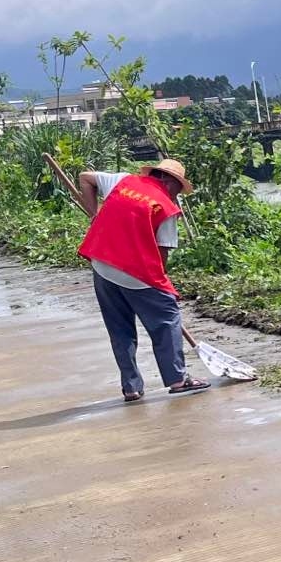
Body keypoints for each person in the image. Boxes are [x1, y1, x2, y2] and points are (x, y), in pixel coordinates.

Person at [75, 159, 211, 402]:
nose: (178, 195)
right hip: (135, 273)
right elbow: (162, 255)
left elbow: (85, 177)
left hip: (102, 264)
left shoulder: (122, 180)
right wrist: (161, 287)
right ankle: (178, 379)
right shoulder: (165, 208)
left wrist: (94, 215)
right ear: (170, 183)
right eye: (179, 189)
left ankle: (131, 387)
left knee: (119, 329)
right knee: (167, 319)